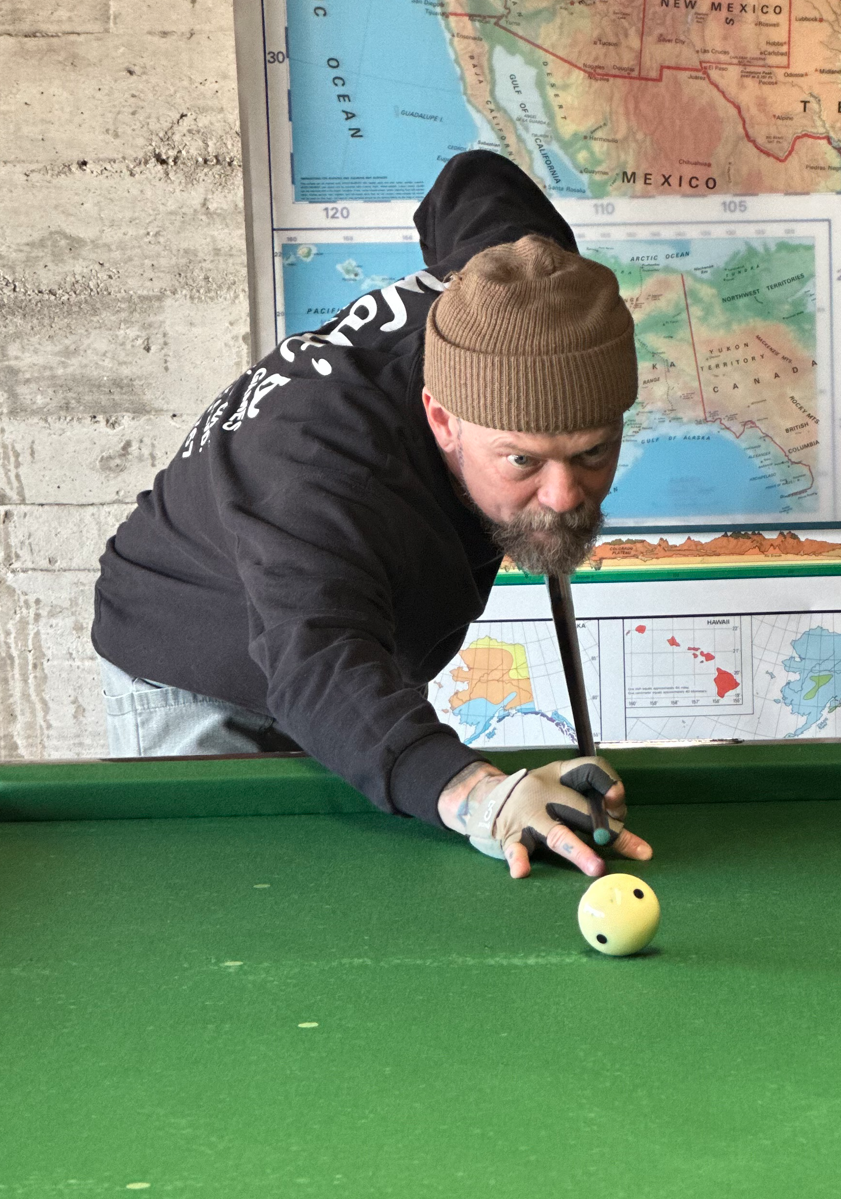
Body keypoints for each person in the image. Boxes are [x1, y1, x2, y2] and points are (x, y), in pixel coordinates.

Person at [92, 153, 651, 880]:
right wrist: (478, 796)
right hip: (201, 667)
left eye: (593, 451)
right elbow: (320, 663)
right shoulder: (319, 462)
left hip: (342, 638)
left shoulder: (508, 285)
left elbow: (473, 180)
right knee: (232, 909)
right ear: (443, 420)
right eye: (523, 460)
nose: (565, 496)